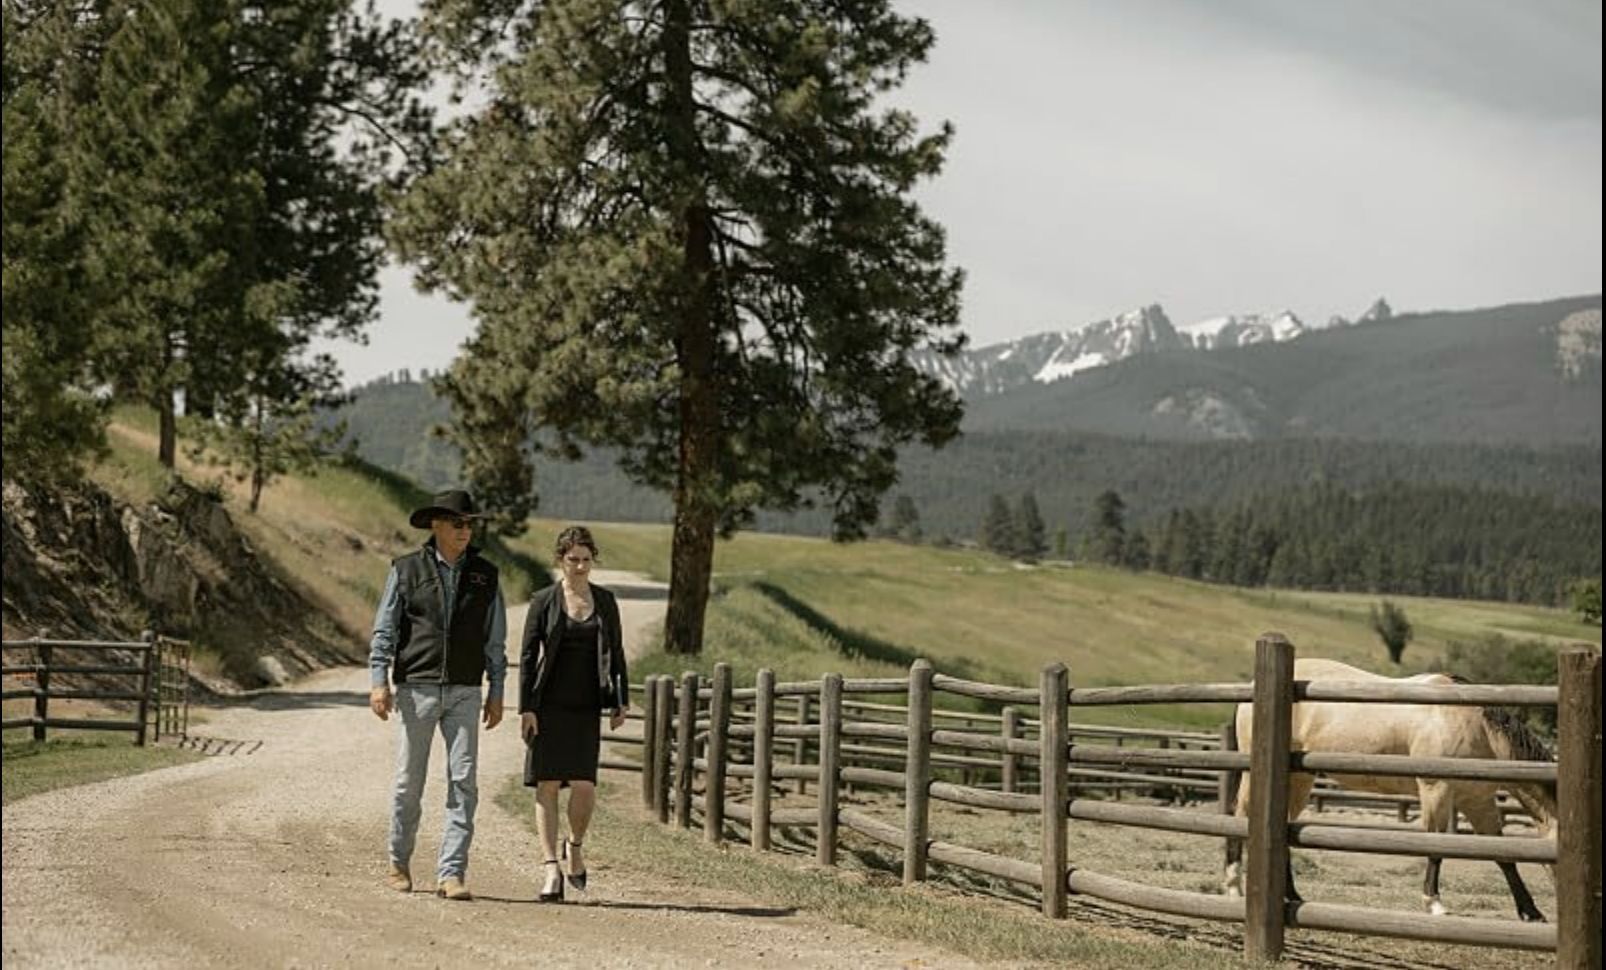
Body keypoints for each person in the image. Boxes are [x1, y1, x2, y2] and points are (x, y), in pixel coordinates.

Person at [368, 488, 507, 901]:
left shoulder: (486, 575)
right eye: (458, 523)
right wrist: (379, 680)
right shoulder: (406, 570)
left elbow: (494, 641)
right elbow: (385, 630)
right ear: (437, 525)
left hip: (466, 691)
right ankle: (398, 861)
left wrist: (496, 691)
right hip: (416, 689)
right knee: (408, 782)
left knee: (463, 782)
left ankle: (452, 873)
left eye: (469, 524)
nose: (466, 531)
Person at [519, 525, 628, 902]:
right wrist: (527, 708)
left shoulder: (606, 601)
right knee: (547, 784)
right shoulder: (543, 600)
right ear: (560, 560)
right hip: (548, 704)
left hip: (586, 705)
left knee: (584, 784)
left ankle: (575, 846)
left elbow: (617, 651)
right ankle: (550, 868)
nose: (580, 567)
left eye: (586, 560)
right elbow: (529, 657)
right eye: (573, 560)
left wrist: (620, 699)